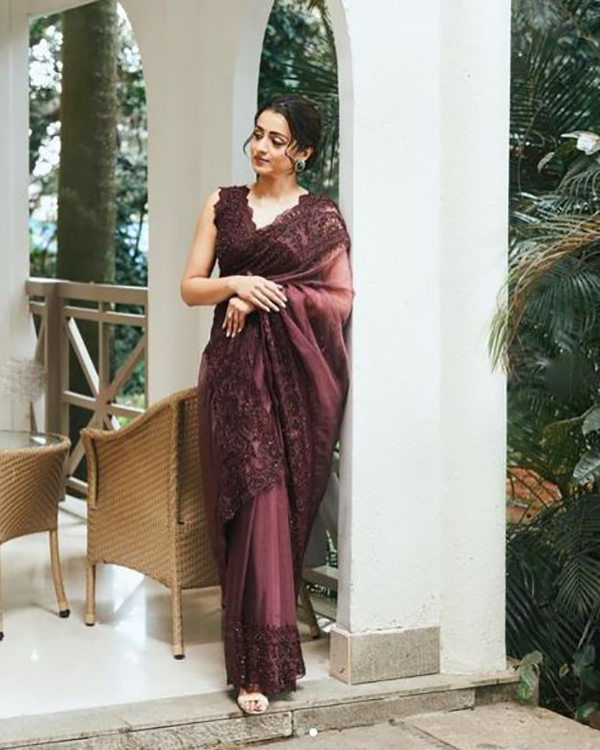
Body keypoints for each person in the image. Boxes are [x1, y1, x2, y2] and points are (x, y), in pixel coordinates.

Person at [180, 94, 354, 715]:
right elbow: (189, 287)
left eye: (276, 140)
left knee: (272, 505)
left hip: (291, 384)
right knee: (252, 500)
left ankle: (266, 660)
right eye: (258, 134)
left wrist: (263, 297)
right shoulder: (222, 204)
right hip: (233, 378)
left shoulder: (321, 219)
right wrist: (236, 283)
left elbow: (337, 299)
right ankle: (252, 668)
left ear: (302, 152)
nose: (259, 147)